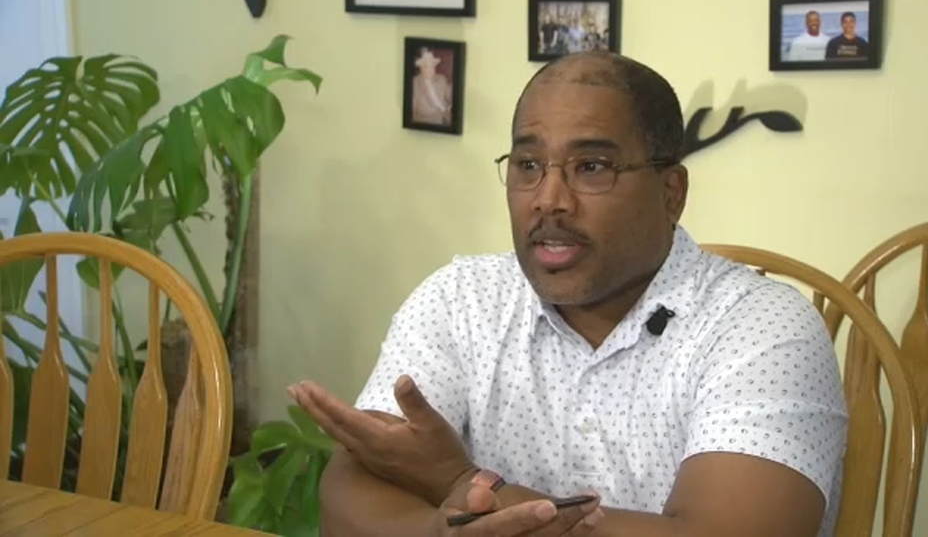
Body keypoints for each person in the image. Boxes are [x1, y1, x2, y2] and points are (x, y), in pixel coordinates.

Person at [289, 50, 849, 537]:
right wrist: (437, 532)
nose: (549, 199)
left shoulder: (764, 329)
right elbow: (352, 492)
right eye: (529, 165)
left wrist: (460, 481)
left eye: (592, 167)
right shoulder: (460, 299)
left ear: (671, 192)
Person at [411, 48, 452, 126]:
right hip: (430, 122)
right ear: (421, 68)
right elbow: (411, 111)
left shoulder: (441, 78)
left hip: (447, 117)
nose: (431, 70)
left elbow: (450, 95)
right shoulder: (415, 83)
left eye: (433, 66)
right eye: (427, 67)